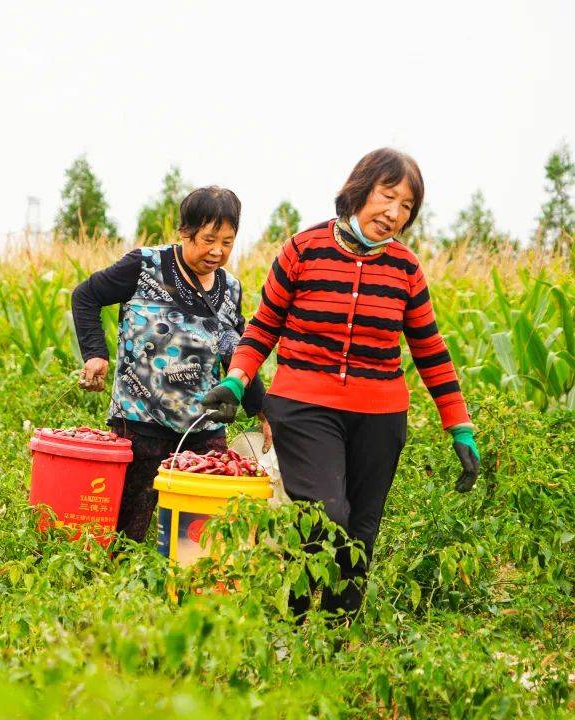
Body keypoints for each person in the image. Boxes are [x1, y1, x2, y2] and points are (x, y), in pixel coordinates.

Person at [204, 148, 481, 620]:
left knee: (361, 532)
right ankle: (292, 619)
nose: (394, 213)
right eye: (387, 196)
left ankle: (336, 641)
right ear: (360, 189)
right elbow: (263, 327)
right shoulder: (302, 250)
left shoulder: (406, 270)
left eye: (407, 206)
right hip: (303, 404)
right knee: (326, 514)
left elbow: (430, 351)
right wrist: (236, 381)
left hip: (380, 414)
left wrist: (459, 427)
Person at [72, 186, 270, 543]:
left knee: (201, 531)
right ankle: (117, 588)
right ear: (185, 232)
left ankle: (192, 591)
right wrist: (95, 354)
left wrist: (261, 408)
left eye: (227, 242)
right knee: (127, 529)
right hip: (140, 421)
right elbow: (85, 296)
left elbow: (235, 348)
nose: (217, 251)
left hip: (204, 425)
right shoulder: (144, 267)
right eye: (208, 239)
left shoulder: (230, 287)